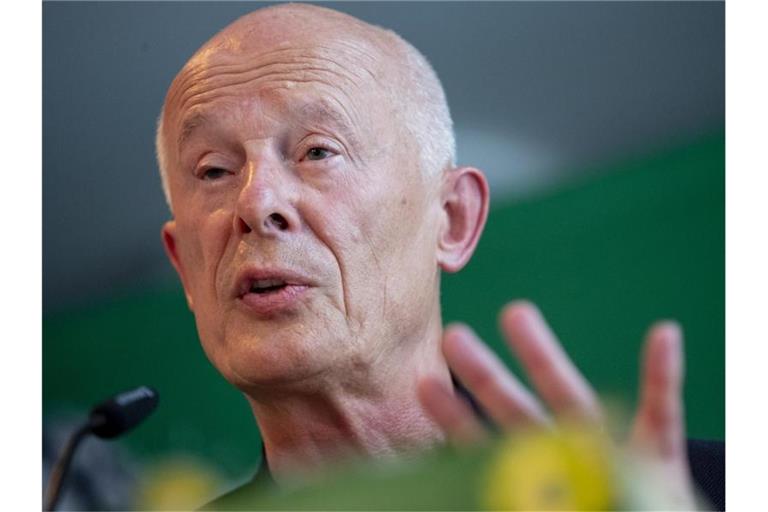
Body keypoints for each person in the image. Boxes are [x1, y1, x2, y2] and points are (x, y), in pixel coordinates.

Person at [156, 3, 720, 509]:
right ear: (186, 266)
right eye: (214, 170)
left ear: (452, 218)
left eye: (317, 151)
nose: (256, 202)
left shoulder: (693, 491)